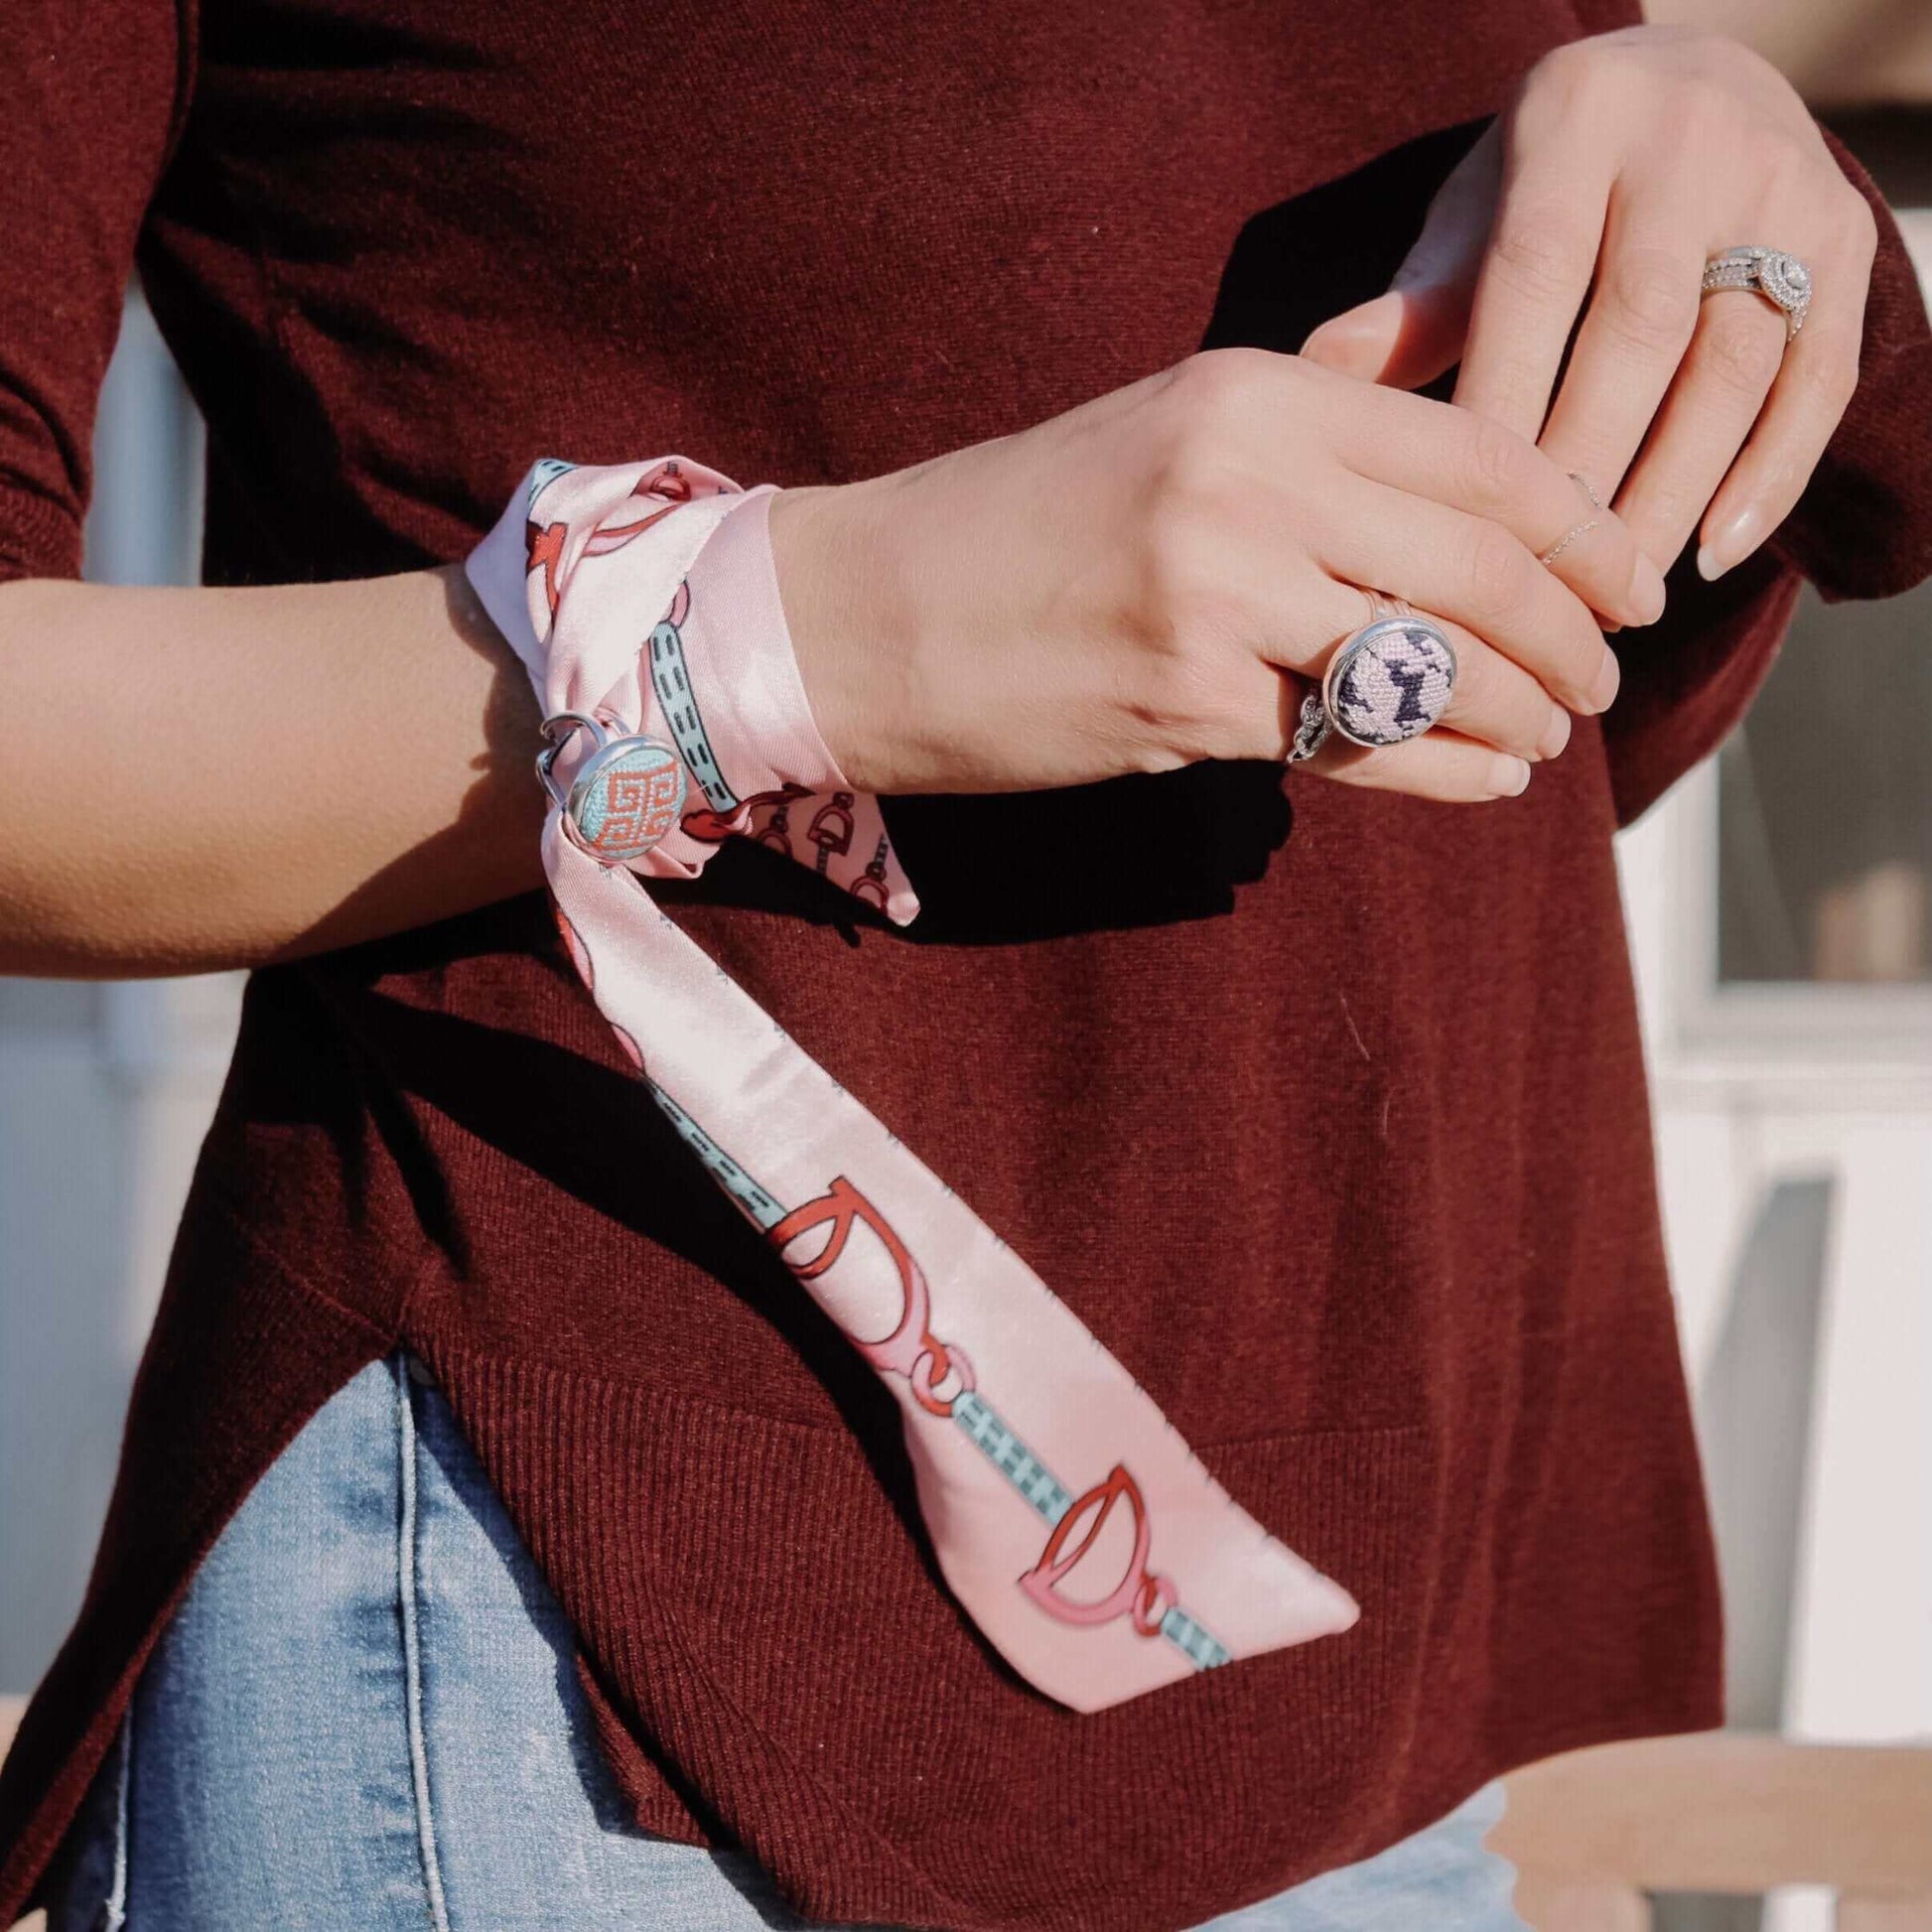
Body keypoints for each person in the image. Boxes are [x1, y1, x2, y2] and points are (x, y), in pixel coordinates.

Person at [2, 2, 1928, 1926]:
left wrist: (1724, 174)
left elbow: (1486, 782)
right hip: (615, 1677)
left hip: (1362, 1707)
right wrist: (808, 637)